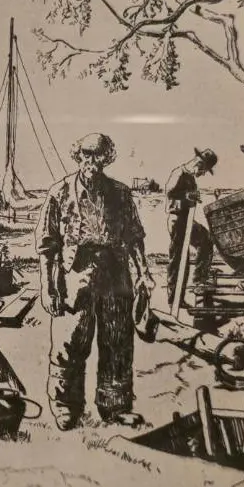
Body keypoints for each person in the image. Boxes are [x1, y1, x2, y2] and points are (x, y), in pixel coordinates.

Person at [36, 133, 153, 430]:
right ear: (78, 156)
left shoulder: (121, 193)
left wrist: (143, 273)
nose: (92, 161)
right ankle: (65, 406)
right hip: (76, 272)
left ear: (107, 158)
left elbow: (135, 237)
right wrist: (47, 289)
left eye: (99, 155)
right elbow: (47, 245)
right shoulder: (59, 192)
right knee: (71, 341)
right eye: (87, 155)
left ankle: (115, 406)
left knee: (118, 340)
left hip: (115, 271)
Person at [165, 148, 219, 303]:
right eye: (203, 171)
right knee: (179, 260)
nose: (202, 174)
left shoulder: (191, 178)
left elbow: (190, 198)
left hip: (187, 220)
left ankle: (199, 280)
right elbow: (169, 200)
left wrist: (193, 198)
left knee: (206, 240)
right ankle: (175, 299)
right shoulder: (178, 174)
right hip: (177, 220)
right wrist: (187, 197)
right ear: (199, 164)